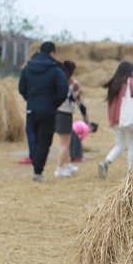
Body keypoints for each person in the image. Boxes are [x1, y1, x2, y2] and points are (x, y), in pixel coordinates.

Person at [18, 41, 68, 182]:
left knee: (33, 137)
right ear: (52, 52)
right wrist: (55, 103)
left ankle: (35, 162)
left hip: (31, 108)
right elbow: (63, 89)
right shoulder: (56, 70)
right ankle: (38, 171)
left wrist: (30, 99)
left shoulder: (28, 68)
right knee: (44, 141)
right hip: (48, 110)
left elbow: (21, 88)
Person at [97, 61, 133, 179]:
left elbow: (110, 104)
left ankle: (106, 162)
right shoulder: (130, 81)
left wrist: (111, 119)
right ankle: (131, 172)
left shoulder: (114, 83)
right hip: (128, 118)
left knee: (120, 144)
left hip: (116, 119)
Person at [53, 60, 85, 177]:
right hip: (65, 114)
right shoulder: (72, 83)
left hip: (56, 113)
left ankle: (66, 165)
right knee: (65, 144)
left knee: (65, 141)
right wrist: (86, 119)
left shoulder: (55, 81)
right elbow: (80, 100)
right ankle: (59, 168)